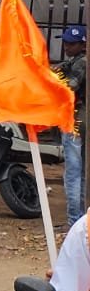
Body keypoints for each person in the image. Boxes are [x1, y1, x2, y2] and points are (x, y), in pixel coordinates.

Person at [59, 25, 87, 227]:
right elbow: (64, 66)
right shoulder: (78, 60)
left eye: (71, 44)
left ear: (82, 45)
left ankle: (74, 222)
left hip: (76, 120)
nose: (66, 47)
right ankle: (82, 222)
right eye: (65, 42)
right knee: (82, 173)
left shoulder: (83, 63)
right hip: (82, 120)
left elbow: (70, 87)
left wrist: (52, 82)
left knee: (73, 173)